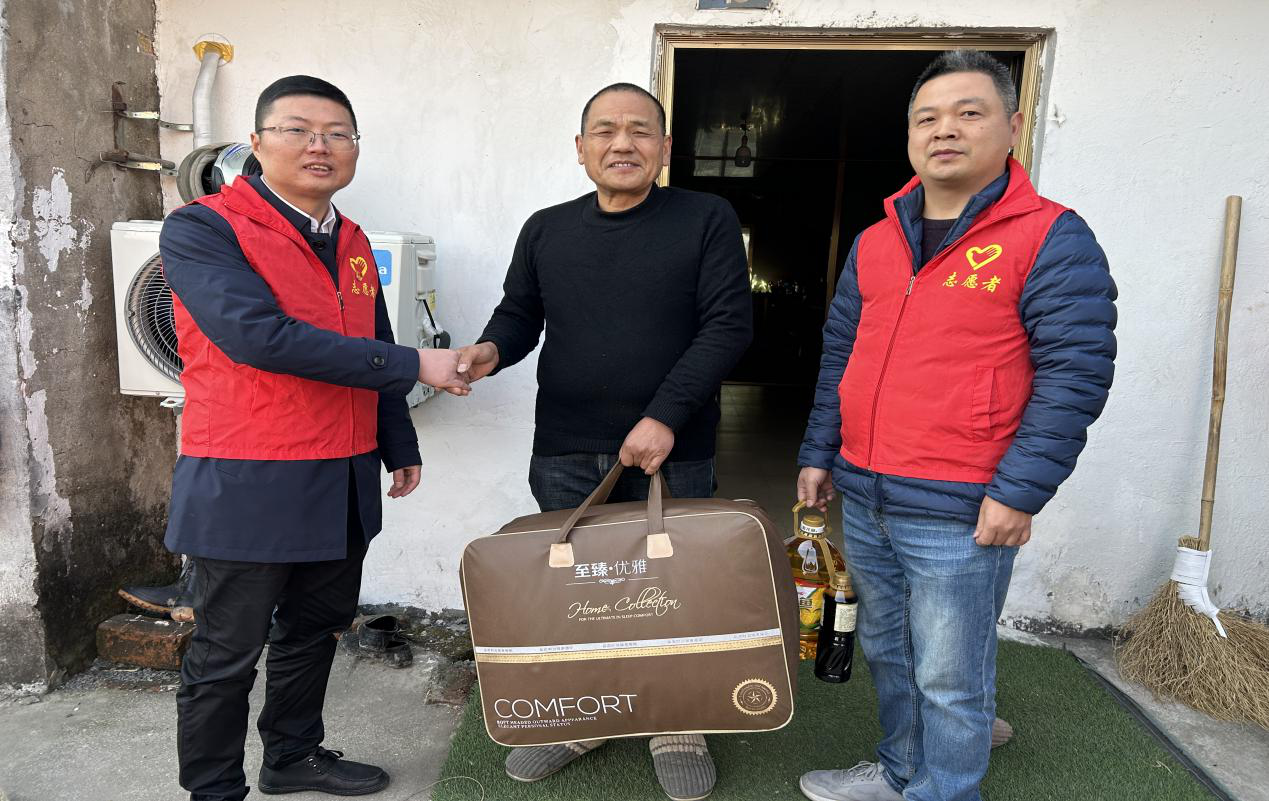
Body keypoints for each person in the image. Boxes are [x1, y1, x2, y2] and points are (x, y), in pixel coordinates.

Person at [795, 50, 1116, 801]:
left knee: (949, 673)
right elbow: (842, 353)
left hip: (964, 505)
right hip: (866, 493)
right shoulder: (877, 239)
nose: (944, 130)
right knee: (889, 650)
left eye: (968, 113)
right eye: (927, 118)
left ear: (1013, 126)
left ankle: (943, 790)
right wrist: (820, 450)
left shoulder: (1051, 235)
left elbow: (1075, 373)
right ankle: (901, 771)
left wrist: (1018, 491)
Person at [160, 75, 469, 801]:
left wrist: (398, 441)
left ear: (355, 148)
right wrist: (415, 364)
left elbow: (373, 339)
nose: (319, 146)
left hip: (343, 473)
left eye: (337, 134)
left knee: (315, 629)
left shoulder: (352, 239)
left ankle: (293, 755)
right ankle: (213, 789)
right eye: (297, 130)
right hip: (247, 474)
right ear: (257, 142)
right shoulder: (205, 228)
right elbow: (258, 337)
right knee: (226, 652)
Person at [456, 82, 752, 801]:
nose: (623, 143)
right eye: (606, 130)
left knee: (670, 588)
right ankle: (586, 714)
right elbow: (520, 314)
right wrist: (490, 349)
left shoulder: (705, 218)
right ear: (581, 147)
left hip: (672, 446)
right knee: (578, 590)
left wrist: (665, 414)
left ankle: (676, 722)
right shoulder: (546, 228)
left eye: (640, 131)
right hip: (564, 444)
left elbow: (728, 326)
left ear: (665, 148)